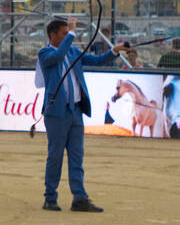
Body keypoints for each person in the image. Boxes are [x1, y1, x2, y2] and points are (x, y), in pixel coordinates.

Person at [37, 17, 127, 212]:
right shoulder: (45, 53)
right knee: (55, 156)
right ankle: (50, 197)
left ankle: (79, 197)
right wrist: (72, 34)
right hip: (57, 112)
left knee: (77, 156)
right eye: (63, 34)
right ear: (53, 35)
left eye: (67, 34)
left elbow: (97, 60)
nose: (67, 37)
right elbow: (58, 56)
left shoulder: (71, 51)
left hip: (75, 110)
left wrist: (114, 51)